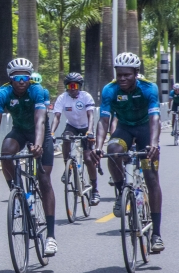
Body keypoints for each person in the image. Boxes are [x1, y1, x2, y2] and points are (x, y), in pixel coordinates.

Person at [0, 57, 58, 257]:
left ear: (30, 78)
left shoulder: (36, 91)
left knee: (44, 180)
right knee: (6, 152)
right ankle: (16, 191)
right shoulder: (3, 93)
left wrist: (38, 145)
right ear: (10, 79)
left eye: (25, 77)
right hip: (20, 131)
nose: (22, 81)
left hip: (41, 134)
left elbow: (40, 121)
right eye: (17, 77)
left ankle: (51, 237)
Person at [87, 52, 166, 253]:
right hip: (125, 129)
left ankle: (156, 234)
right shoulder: (110, 90)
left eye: (126, 75)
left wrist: (154, 144)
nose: (122, 78)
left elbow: (155, 119)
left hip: (146, 130)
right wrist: (98, 146)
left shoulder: (148, 88)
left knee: (151, 177)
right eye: (118, 74)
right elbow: (104, 121)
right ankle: (122, 190)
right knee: (113, 151)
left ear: (136, 73)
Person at [51, 72, 100, 205]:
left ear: (79, 86)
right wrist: (51, 133)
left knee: (88, 159)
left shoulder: (86, 97)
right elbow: (56, 117)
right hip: (72, 126)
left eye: (75, 85)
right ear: (66, 87)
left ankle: (95, 190)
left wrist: (90, 131)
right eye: (70, 86)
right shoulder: (62, 98)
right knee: (66, 138)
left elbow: (91, 116)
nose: (73, 88)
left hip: (86, 127)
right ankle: (68, 167)